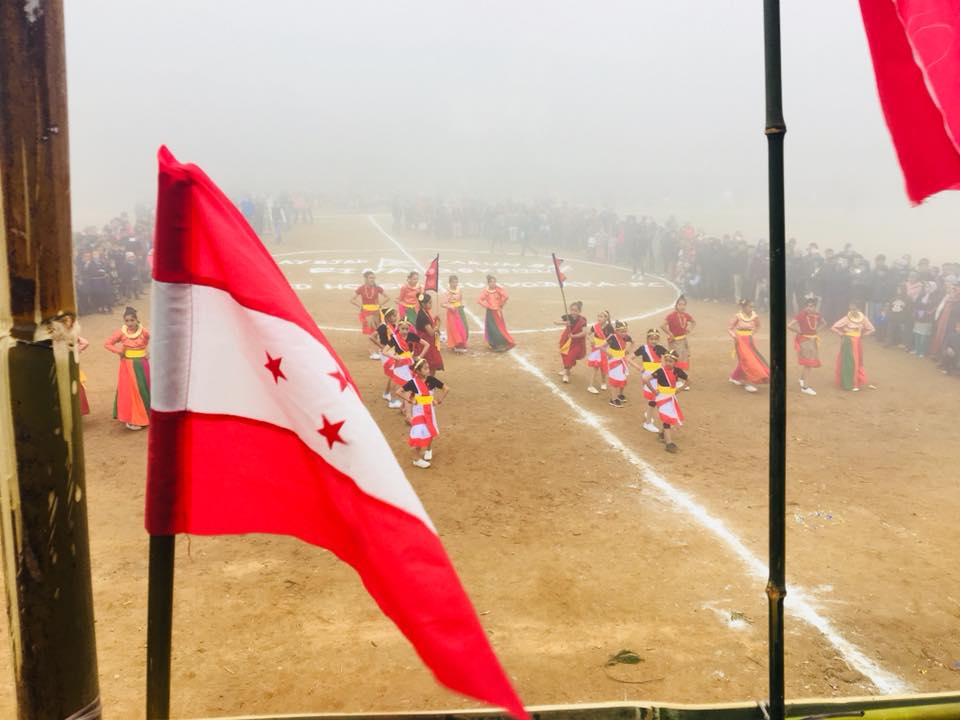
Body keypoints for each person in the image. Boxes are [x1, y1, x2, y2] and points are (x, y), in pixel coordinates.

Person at [104, 306, 150, 430]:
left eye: (132, 320)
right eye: (127, 321)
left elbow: (152, 341)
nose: (129, 323)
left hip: (142, 364)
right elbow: (107, 343)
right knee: (131, 391)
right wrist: (119, 351)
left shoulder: (144, 332)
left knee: (144, 388)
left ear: (136, 319)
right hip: (128, 366)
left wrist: (147, 351)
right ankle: (134, 418)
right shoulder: (121, 332)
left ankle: (147, 415)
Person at [402, 358, 449, 469]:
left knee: (429, 430)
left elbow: (446, 389)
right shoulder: (413, 382)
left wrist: (439, 400)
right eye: (425, 368)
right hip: (418, 412)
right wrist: (410, 402)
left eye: (428, 368)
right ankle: (416, 458)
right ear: (418, 371)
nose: (428, 370)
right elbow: (399, 392)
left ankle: (428, 449)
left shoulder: (431, 380)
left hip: (429, 411)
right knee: (419, 433)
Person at [643, 350, 688, 454]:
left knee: (669, 417)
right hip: (662, 397)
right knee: (667, 419)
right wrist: (654, 391)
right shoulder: (660, 371)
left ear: (675, 362)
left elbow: (689, 381)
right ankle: (669, 443)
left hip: (671, 397)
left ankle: (662, 434)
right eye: (666, 360)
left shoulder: (677, 371)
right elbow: (646, 379)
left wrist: (679, 390)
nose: (668, 363)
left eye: (670, 361)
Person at [629, 328, 668, 433]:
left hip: (658, 375)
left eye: (656, 339)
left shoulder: (660, 348)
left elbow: (668, 359)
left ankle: (648, 414)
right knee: (653, 399)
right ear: (647, 339)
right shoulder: (643, 348)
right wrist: (639, 368)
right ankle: (647, 423)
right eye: (651, 339)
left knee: (654, 398)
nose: (654, 341)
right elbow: (629, 358)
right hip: (648, 376)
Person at [831, 302, 876, 391]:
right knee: (849, 362)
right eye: (851, 309)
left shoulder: (863, 318)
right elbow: (834, 327)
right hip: (848, 341)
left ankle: (853, 382)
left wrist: (862, 335)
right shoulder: (847, 318)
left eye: (854, 309)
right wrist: (841, 334)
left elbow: (872, 329)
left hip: (857, 341)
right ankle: (849, 384)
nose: (852, 311)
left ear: (859, 309)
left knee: (857, 361)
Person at [728, 299, 770, 393]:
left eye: (752, 306)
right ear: (743, 307)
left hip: (749, 340)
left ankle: (734, 377)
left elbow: (758, 326)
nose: (751, 308)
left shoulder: (755, 316)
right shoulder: (738, 316)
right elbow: (730, 328)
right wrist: (735, 336)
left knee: (746, 360)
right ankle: (749, 383)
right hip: (740, 341)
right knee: (748, 361)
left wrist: (752, 333)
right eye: (749, 306)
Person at [787, 296, 823, 396]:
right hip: (805, 341)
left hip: (813, 340)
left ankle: (802, 380)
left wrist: (817, 331)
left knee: (808, 362)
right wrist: (798, 332)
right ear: (805, 307)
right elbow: (789, 325)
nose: (809, 308)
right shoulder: (802, 315)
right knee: (809, 363)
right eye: (808, 306)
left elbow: (824, 323)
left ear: (815, 307)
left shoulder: (817, 315)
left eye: (812, 306)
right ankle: (805, 387)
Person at [352, 270, 389, 357]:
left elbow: (387, 297)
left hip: (376, 312)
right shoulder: (361, 288)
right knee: (371, 332)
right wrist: (361, 306)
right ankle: (372, 351)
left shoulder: (377, 288)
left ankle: (376, 350)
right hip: (367, 312)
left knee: (377, 331)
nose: (372, 279)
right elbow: (352, 299)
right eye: (370, 278)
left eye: (373, 278)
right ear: (365, 279)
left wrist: (380, 305)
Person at [661, 295, 695, 384]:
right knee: (676, 359)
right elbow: (662, 325)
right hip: (675, 341)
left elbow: (693, 322)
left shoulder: (686, 315)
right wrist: (670, 334)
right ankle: (675, 380)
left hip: (684, 340)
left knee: (684, 358)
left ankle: (680, 378)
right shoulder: (671, 316)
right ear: (676, 305)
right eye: (680, 304)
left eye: (684, 304)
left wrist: (689, 329)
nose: (682, 306)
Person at [477, 274, 515, 351]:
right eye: (491, 282)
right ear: (488, 283)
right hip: (490, 312)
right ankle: (494, 344)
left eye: (494, 282)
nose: (493, 283)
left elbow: (506, 297)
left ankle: (500, 344)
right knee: (492, 328)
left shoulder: (498, 289)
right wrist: (487, 306)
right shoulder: (486, 291)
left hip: (497, 312)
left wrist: (501, 305)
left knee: (499, 328)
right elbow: (479, 300)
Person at [556, 301, 587, 384]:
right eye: (572, 310)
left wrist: (574, 336)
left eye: (575, 310)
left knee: (570, 356)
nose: (573, 312)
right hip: (566, 340)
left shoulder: (582, 320)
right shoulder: (567, 317)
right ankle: (566, 369)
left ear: (579, 311)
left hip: (576, 342)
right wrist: (565, 323)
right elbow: (555, 321)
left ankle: (566, 374)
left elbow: (584, 332)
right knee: (564, 355)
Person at [605, 320, 633, 408]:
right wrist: (608, 353)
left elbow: (632, 342)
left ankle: (620, 394)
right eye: (622, 331)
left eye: (625, 331)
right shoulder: (612, 337)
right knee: (614, 379)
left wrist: (628, 350)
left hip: (622, 360)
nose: (624, 333)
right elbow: (602, 346)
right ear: (616, 331)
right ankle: (613, 399)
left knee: (623, 377)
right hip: (614, 360)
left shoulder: (627, 337)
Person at [415, 293, 445, 374]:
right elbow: (431, 332)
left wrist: (434, 320)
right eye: (429, 303)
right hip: (426, 342)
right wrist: (438, 325)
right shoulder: (423, 316)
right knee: (431, 364)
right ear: (423, 304)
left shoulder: (424, 312)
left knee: (428, 364)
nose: (431, 304)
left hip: (426, 341)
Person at [586, 310, 611, 395]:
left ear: (606, 318)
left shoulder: (610, 328)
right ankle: (590, 386)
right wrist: (591, 340)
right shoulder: (595, 327)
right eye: (598, 316)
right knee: (595, 367)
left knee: (603, 367)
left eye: (601, 316)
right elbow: (588, 334)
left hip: (605, 349)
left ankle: (603, 381)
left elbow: (611, 339)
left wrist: (603, 346)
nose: (599, 318)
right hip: (596, 350)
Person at [442, 275, 469, 353]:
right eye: (453, 282)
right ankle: (456, 344)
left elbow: (460, 299)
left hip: (459, 310)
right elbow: (443, 304)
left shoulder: (459, 290)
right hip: (452, 313)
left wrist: (461, 306)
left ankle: (462, 342)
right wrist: (450, 306)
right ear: (450, 283)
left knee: (464, 327)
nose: (455, 284)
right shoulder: (447, 292)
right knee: (455, 329)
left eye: (456, 282)